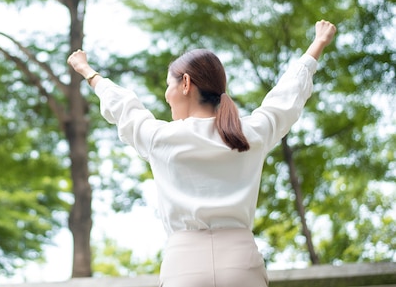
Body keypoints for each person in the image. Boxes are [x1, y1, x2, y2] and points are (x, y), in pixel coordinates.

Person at [67, 20, 337, 287]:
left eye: (168, 85)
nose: (166, 95)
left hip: (184, 266)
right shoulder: (250, 134)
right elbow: (286, 97)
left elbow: (124, 107)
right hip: (242, 263)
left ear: (185, 83)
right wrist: (317, 44)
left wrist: (89, 72)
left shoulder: (161, 138)